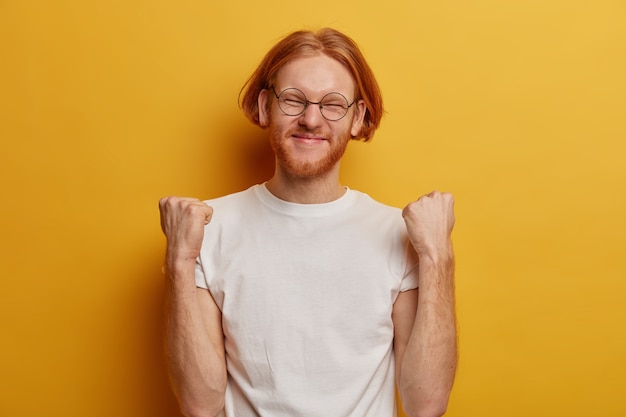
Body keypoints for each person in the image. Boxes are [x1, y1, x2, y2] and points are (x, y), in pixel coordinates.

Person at [159, 28, 457, 417]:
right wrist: (180, 261)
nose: (311, 119)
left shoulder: (400, 233)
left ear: (357, 118)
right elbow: (200, 405)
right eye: (293, 100)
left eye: (333, 104)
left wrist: (438, 257)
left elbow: (427, 405)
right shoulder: (206, 229)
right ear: (266, 107)